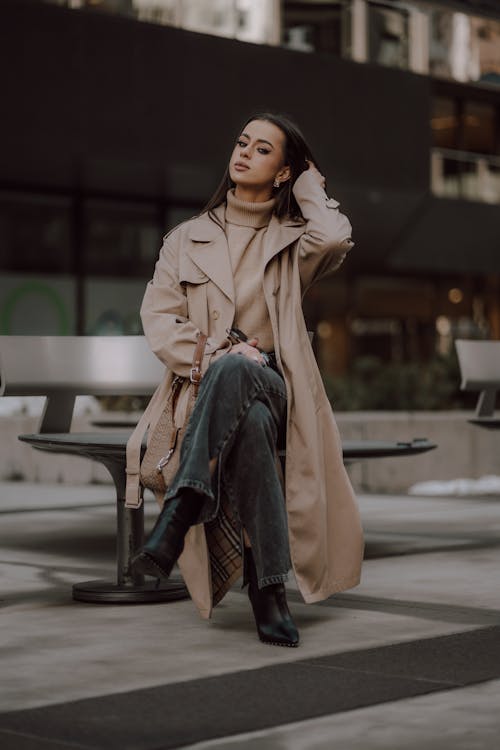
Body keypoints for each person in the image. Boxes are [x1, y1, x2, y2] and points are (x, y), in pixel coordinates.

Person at [127, 113, 364, 647]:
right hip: (206, 384)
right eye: (241, 143)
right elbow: (159, 320)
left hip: (280, 388)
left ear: (282, 173)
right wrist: (217, 354)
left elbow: (333, 238)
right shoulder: (185, 238)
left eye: (262, 150)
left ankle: (182, 507)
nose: (243, 153)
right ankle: (269, 590)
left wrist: (308, 186)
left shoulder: (294, 241)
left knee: (255, 392)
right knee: (247, 414)